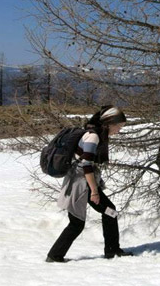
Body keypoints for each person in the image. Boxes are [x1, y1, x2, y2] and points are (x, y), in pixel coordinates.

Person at [46, 105, 133, 262]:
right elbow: (86, 165)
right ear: (109, 123)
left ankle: (112, 250)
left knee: (110, 212)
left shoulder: (96, 134)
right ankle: (54, 256)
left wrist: (94, 188)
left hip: (86, 183)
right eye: (119, 126)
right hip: (80, 185)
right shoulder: (93, 137)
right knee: (77, 223)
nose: (119, 130)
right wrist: (94, 191)